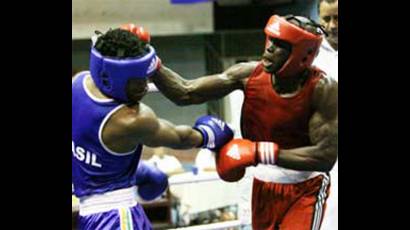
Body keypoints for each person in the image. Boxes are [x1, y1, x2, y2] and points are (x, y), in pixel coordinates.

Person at [152, 15, 338, 229]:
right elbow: (186, 92)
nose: (269, 49)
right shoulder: (248, 74)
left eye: (279, 45)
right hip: (261, 186)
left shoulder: (323, 90)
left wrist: (259, 152)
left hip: (305, 189)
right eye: (270, 40)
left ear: (302, 54)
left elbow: (325, 157)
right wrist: (153, 66)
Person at [72, 24, 234, 230]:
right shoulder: (131, 118)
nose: (145, 86)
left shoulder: (78, 83)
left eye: (145, 77)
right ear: (111, 77)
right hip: (117, 218)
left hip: (89, 216)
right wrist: (208, 134)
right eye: (136, 81)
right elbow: (180, 138)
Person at [313, 0, 338, 229]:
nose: (331, 26)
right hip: (323, 152)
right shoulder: (309, 53)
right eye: (326, 19)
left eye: (337, 18)